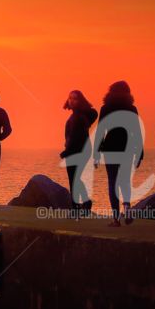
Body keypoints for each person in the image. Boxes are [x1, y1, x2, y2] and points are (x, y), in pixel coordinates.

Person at [93, 81, 144, 226]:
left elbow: (100, 131)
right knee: (125, 181)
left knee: (113, 182)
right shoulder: (132, 109)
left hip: (110, 149)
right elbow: (137, 132)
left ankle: (116, 219)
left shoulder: (106, 108)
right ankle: (127, 208)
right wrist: (140, 152)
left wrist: (96, 153)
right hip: (127, 148)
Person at [60, 90, 98, 217]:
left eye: (75, 98)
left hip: (78, 152)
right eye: (70, 98)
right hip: (77, 151)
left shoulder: (80, 117)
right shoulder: (77, 116)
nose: (71, 100)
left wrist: (67, 152)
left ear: (80, 101)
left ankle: (76, 209)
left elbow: (76, 138)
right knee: (76, 179)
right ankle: (86, 204)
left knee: (74, 180)